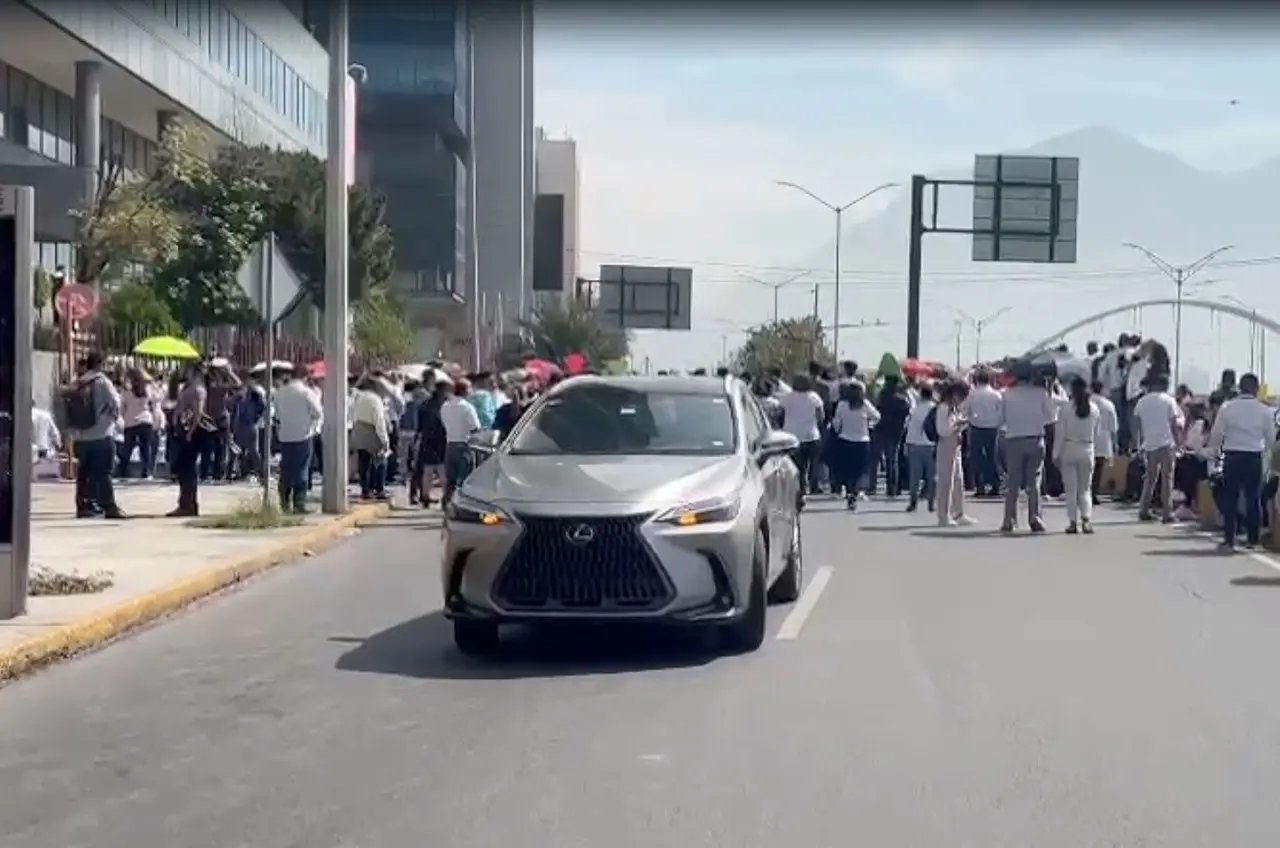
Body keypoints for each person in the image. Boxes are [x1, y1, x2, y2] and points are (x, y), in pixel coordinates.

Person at [1208, 372, 1275, 550]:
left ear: (1239, 387)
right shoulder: (1265, 410)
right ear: (1257, 389)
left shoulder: (1227, 407)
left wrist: (1215, 451)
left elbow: (1216, 435)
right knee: (1253, 498)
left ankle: (1229, 538)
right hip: (1254, 456)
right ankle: (1253, 539)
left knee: (1230, 497)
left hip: (1232, 456)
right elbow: (1270, 438)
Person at [999, 361, 1057, 534]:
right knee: (1034, 481)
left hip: (1013, 439)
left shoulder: (1006, 394)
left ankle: (1009, 519)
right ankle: (1035, 517)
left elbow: (1001, 419)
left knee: (1013, 481)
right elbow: (1050, 418)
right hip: (1035, 439)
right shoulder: (1040, 393)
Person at [68, 352, 125, 520]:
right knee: (103, 473)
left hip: (81, 437)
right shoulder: (102, 382)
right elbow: (116, 403)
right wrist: (112, 419)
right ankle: (109, 506)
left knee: (83, 474)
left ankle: (84, 506)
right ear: (100, 364)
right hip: (101, 434)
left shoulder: (77, 382)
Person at [1132, 372, 1183, 523]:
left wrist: (1138, 444)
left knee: (1150, 479)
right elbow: (1174, 424)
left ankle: (1144, 509)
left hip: (1149, 444)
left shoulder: (1142, 401)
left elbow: (1137, 426)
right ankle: (1167, 512)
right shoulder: (1168, 400)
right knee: (1167, 479)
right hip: (1166, 444)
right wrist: (1178, 443)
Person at [274, 364, 324, 513]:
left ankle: (284, 503)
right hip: (303, 435)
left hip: (285, 435)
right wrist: (314, 426)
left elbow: (276, 415)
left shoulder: (279, 393)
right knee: (301, 469)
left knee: (286, 470)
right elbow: (318, 413)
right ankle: (299, 504)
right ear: (305, 377)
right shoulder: (307, 393)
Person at [1054, 376, 1099, 534]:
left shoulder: (1066, 409)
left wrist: (1055, 454)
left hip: (1069, 448)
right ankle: (1086, 519)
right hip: (1087, 448)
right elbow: (1097, 432)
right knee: (1085, 489)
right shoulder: (1094, 409)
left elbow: (1060, 433)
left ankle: (1072, 522)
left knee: (1071, 490)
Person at [168, 362, 210, 517]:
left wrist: (190, 432)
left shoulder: (198, 389)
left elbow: (198, 413)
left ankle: (188, 504)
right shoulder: (187, 387)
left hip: (191, 433)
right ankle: (185, 502)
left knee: (187, 468)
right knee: (183, 468)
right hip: (182, 430)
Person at [830, 381, 878, 510]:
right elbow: (877, 417)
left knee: (848, 470)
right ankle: (855, 494)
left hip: (845, 440)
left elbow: (836, 421)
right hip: (862, 441)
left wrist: (838, 429)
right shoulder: (865, 405)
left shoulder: (842, 404)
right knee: (860, 470)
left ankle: (850, 492)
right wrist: (869, 424)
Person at [934, 381, 974, 527]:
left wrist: (961, 423)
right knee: (946, 481)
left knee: (958, 480)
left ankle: (958, 512)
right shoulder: (944, 408)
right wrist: (957, 426)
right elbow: (942, 430)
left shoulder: (953, 408)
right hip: (946, 444)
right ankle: (943, 515)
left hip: (955, 445)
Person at [778, 374, 825, 495]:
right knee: (814, 463)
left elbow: (780, 413)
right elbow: (821, 416)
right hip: (811, 434)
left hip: (792, 435)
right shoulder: (814, 397)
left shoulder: (787, 397)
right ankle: (814, 485)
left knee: (799, 465)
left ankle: (801, 487)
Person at [441, 379, 482, 505]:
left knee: (451, 480)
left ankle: (446, 502)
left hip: (450, 444)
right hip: (465, 445)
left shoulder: (445, 406)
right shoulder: (467, 407)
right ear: (465, 391)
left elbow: (444, 424)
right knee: (465, 479)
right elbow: (475, 427)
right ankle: (463, 504)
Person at [350, 375, 391, 500]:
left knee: (363, 462)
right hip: (371, 430)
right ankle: (379, 489)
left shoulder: (357, 398)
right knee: (380, 460)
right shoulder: (375, 399)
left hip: (358, 429)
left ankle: (365, 490)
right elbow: (379, 421)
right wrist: (385, 440)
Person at [966, 370, 1003, 497]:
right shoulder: (996, 395)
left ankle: (980, 486)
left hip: (976, 427)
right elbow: (1001, 412)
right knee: (992, 457)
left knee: (977, 458)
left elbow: (966, 410)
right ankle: (995, 484)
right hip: (992, 428)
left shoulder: (972, 395)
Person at [903, 382, 937, 512]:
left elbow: (910, 428)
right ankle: (931, 502)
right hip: (932, 445)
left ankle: (913, 501)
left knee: (915, 475)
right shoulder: (936, 408)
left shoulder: (915, 409)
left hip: (915, 444)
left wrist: (907, 443)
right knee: (932, 475)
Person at [1089, 380, 1119, 505]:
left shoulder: (1085, 402)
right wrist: (1115, 444)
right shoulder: (1108, 404)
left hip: (1086, 439)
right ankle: (1093, 494)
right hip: (1103, 441)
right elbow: (1114, 427)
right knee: (1098, 470)